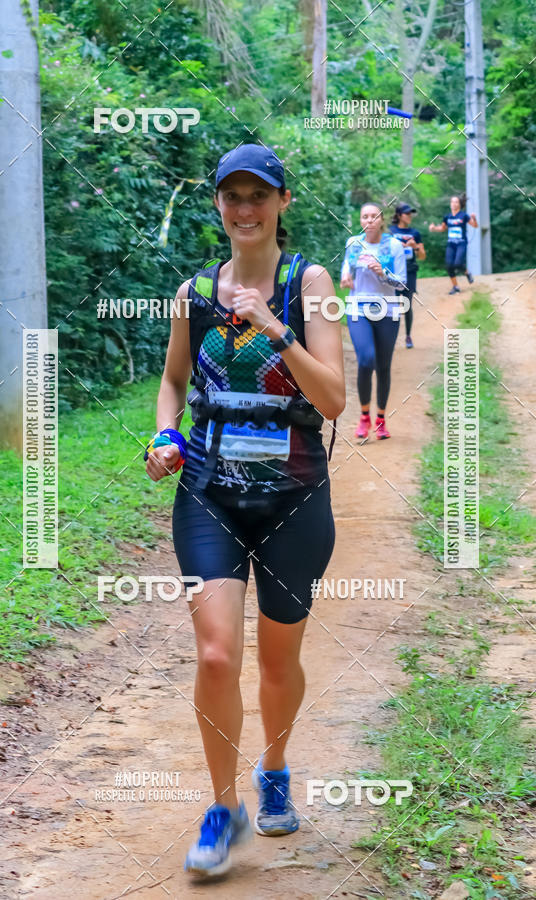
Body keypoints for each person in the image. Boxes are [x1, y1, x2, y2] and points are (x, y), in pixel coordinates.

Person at [145, 143, 345, 879]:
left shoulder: (309, 282)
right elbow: (172, 382)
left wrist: (272, 325)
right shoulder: (194, 291)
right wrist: (166, 435)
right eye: (232, 195)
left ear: (283, 203)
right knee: (217, 652)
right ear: (219, 206)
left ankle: (276, 768)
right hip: (208, 490)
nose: (245, 208)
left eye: (258, 194)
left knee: (278, 657)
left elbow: (332, 400)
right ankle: (222, 809)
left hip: (294, 497)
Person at [340, 203, 407, 441]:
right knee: (366, 360)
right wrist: (345, 279)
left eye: (374, 216)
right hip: (358, 309)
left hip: (387, 312)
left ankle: (380, 420)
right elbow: (345, 272)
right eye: (364, 216)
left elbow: (402, 284)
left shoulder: (394, 245)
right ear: (360, 221)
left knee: (384, 366)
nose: (369, 220)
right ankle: (364, 415)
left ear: (381, 220)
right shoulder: (353, 244)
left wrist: (383, 273)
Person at [389, 202, 425, 349]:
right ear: (399, 215)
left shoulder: (415, 233)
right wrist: (400, 246)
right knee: (393, 306)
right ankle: (391, 337)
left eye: (411, 214)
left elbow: (422, 256)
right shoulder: (390, 232)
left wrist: (415, 247)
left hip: (410, 271)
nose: (410, 216)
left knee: (406, 304)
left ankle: (408, 336)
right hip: (394, 272)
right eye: (407, 213)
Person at [429, 196, 478, 294]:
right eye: (452, 202)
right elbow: (443, 228)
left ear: (459, 204)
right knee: (449, 265)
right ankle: (456, 287)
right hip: (451, 244)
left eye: (456, 202)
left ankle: (467, 273)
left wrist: (474, 218)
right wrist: (434, 228)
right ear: (450, 204)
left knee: (458, 264)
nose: (454, 204)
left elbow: (475, 226)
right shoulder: (447, 217)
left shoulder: (464, 216)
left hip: (461, 243)